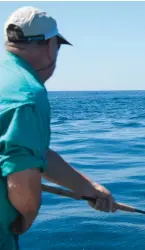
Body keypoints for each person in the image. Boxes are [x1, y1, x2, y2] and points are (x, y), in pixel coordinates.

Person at [0, 6, 117, 249]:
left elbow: (34, 153)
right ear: (49, 45)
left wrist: (88, 188)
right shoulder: (27, 96)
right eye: (58, 45)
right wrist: (24, 221)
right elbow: (22, 181)